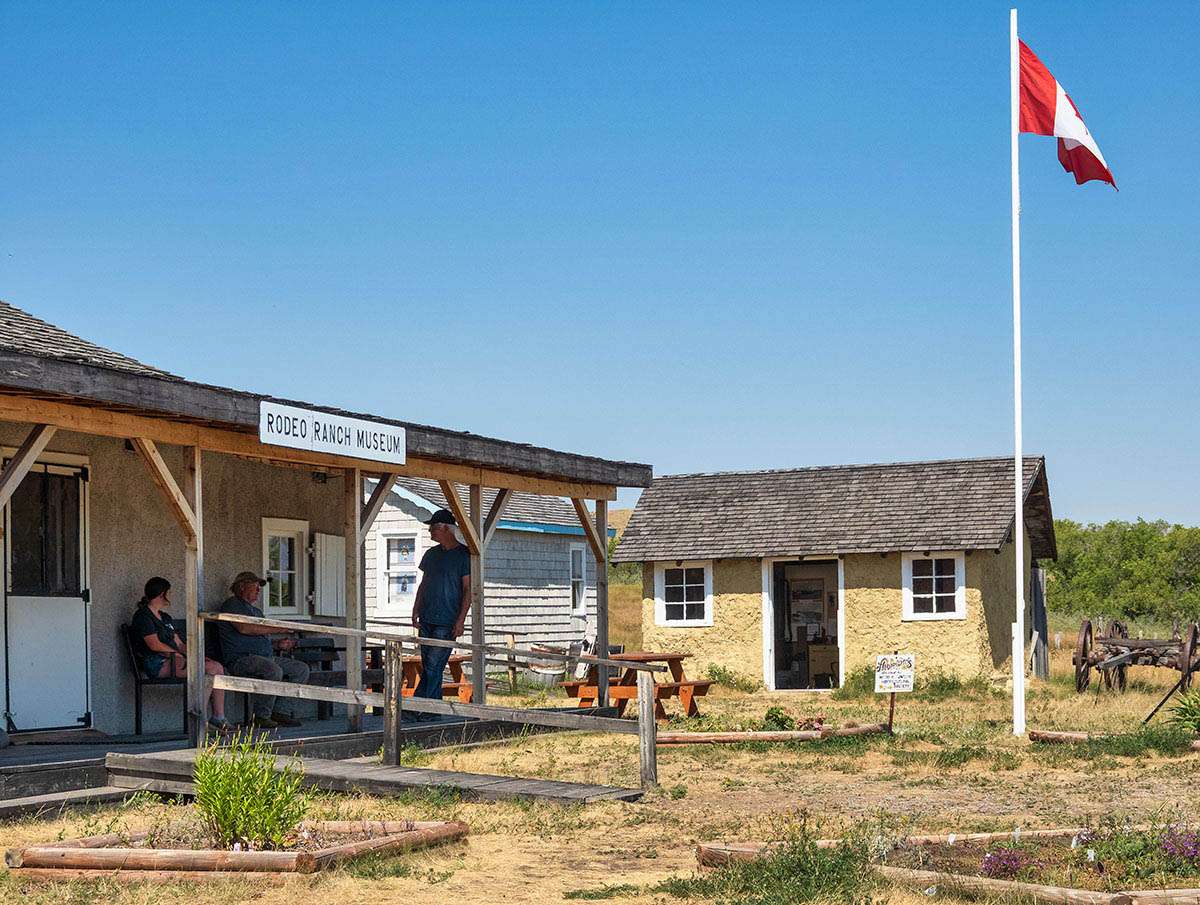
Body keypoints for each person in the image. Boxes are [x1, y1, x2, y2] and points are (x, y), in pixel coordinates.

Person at [131, 577, 232, 734]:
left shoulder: (165, 618)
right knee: (209, 670)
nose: (170, 596)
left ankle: (218, 717)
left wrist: (196, 655)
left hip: (175, 659)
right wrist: (179, 655)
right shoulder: (143, 616)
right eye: (168, 592)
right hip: (157, 662)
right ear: (162, 594)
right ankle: (201, 721)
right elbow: (154, 644)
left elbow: (179, 643)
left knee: (216, 667)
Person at [217, 571, 310, 729]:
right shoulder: (232, 605)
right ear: (241, 587)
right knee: (273, 670)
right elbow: (245, 628)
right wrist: (280, 629)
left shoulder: (257, 612)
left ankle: (281, 711)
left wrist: (277, 645)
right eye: (255, 586)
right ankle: (260, 716)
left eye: (259, 587)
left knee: (300, 669)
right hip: (242, 659)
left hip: (265, 657)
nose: (258, 590)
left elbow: (260, 637)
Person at [411, 508, 472, 715]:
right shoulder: (431, 555)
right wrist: (416, 609)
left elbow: (468, 590)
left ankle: (420, 707)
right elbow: (423, 584)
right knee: (429, 665)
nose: (430, 532)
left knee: (435, 665)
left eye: (433, 528)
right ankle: (431, 710)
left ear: (445, 528)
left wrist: (460, 620)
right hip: (427, 616)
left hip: (447, 620)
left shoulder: (464, 555)